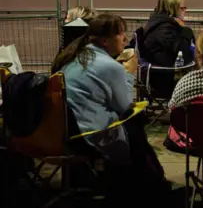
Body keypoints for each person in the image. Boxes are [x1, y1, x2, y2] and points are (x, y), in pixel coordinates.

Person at [51, 14, 168, 202]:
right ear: (105, 41)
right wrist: (129, 73)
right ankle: (146, 187)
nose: (125, 38)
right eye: (120, 33)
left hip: (62, 132)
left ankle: (144, 181)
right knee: (134, 122)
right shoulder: (110, 67)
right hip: (88, 135)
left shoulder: (77, 56)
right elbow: (124, 106)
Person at [138, 0, 195, 67]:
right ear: (173, 9)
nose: (185, 10)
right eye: (182, 8)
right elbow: (183, 55)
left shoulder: (159, 24)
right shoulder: (164, 29)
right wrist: (185, 31)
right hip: (166, 74)